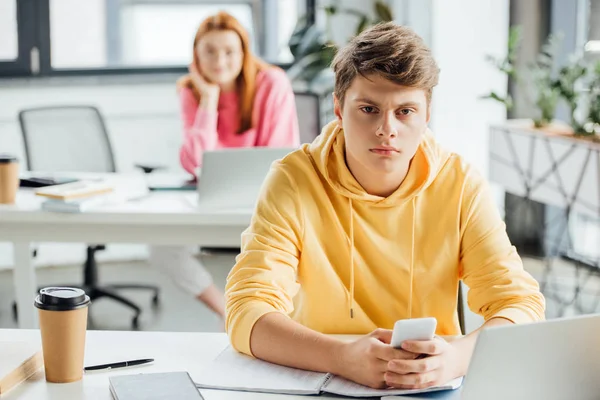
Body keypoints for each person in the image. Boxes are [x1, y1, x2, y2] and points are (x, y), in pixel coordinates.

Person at [224, 22, 545, 389]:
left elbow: (521, 306)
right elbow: (246, 311)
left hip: (428, 385)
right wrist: (341, 357)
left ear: (427, 115)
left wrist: (457, 358)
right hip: (319, 375)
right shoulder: (294, 180)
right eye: (368, 109)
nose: (386, 129)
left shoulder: (460, 185)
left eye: (405, 111)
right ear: (339, 109)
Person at [150, 11, 300, 322]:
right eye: (209, 51)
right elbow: (194, 163)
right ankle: (228, 312)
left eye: (229, 51)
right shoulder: (191, 90)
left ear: (244, 53)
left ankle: (276, 320)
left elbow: (279, 156)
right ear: (196, 56)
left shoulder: (271, 82)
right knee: (160, 246)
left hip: (265, 197)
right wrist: (209, 100)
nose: (220, 60)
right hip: (211, 199)